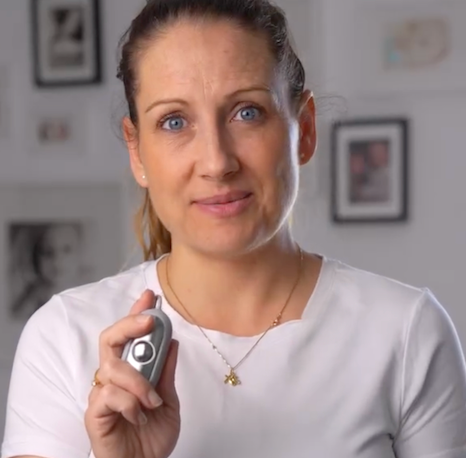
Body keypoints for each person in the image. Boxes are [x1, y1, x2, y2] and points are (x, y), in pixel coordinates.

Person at [2, 0, 466, 457]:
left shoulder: (406, 332)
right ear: (137, 152)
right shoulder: (64, 338)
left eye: (247, 112)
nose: (217, 162)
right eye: (174, 121)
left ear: (303, 130)